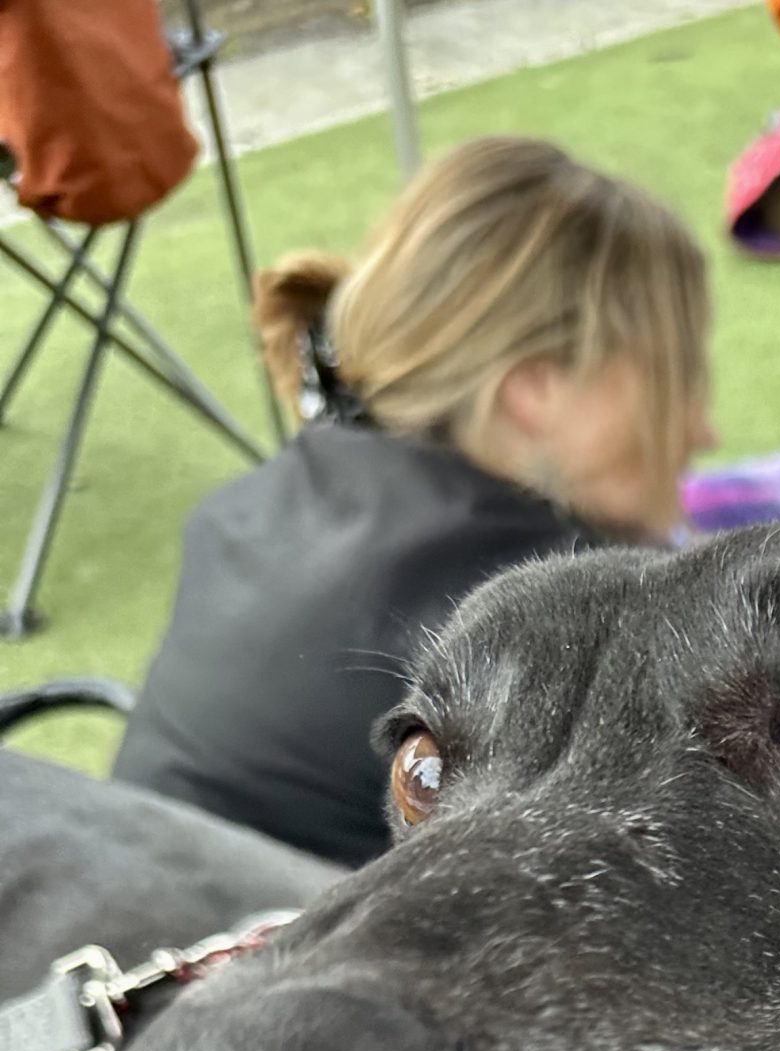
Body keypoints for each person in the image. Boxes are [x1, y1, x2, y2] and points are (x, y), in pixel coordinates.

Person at [113, 137, 711, 868]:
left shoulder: (262, 500)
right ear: (538, 389)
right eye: (675, 381)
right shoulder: (536, 630)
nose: (699, 429)